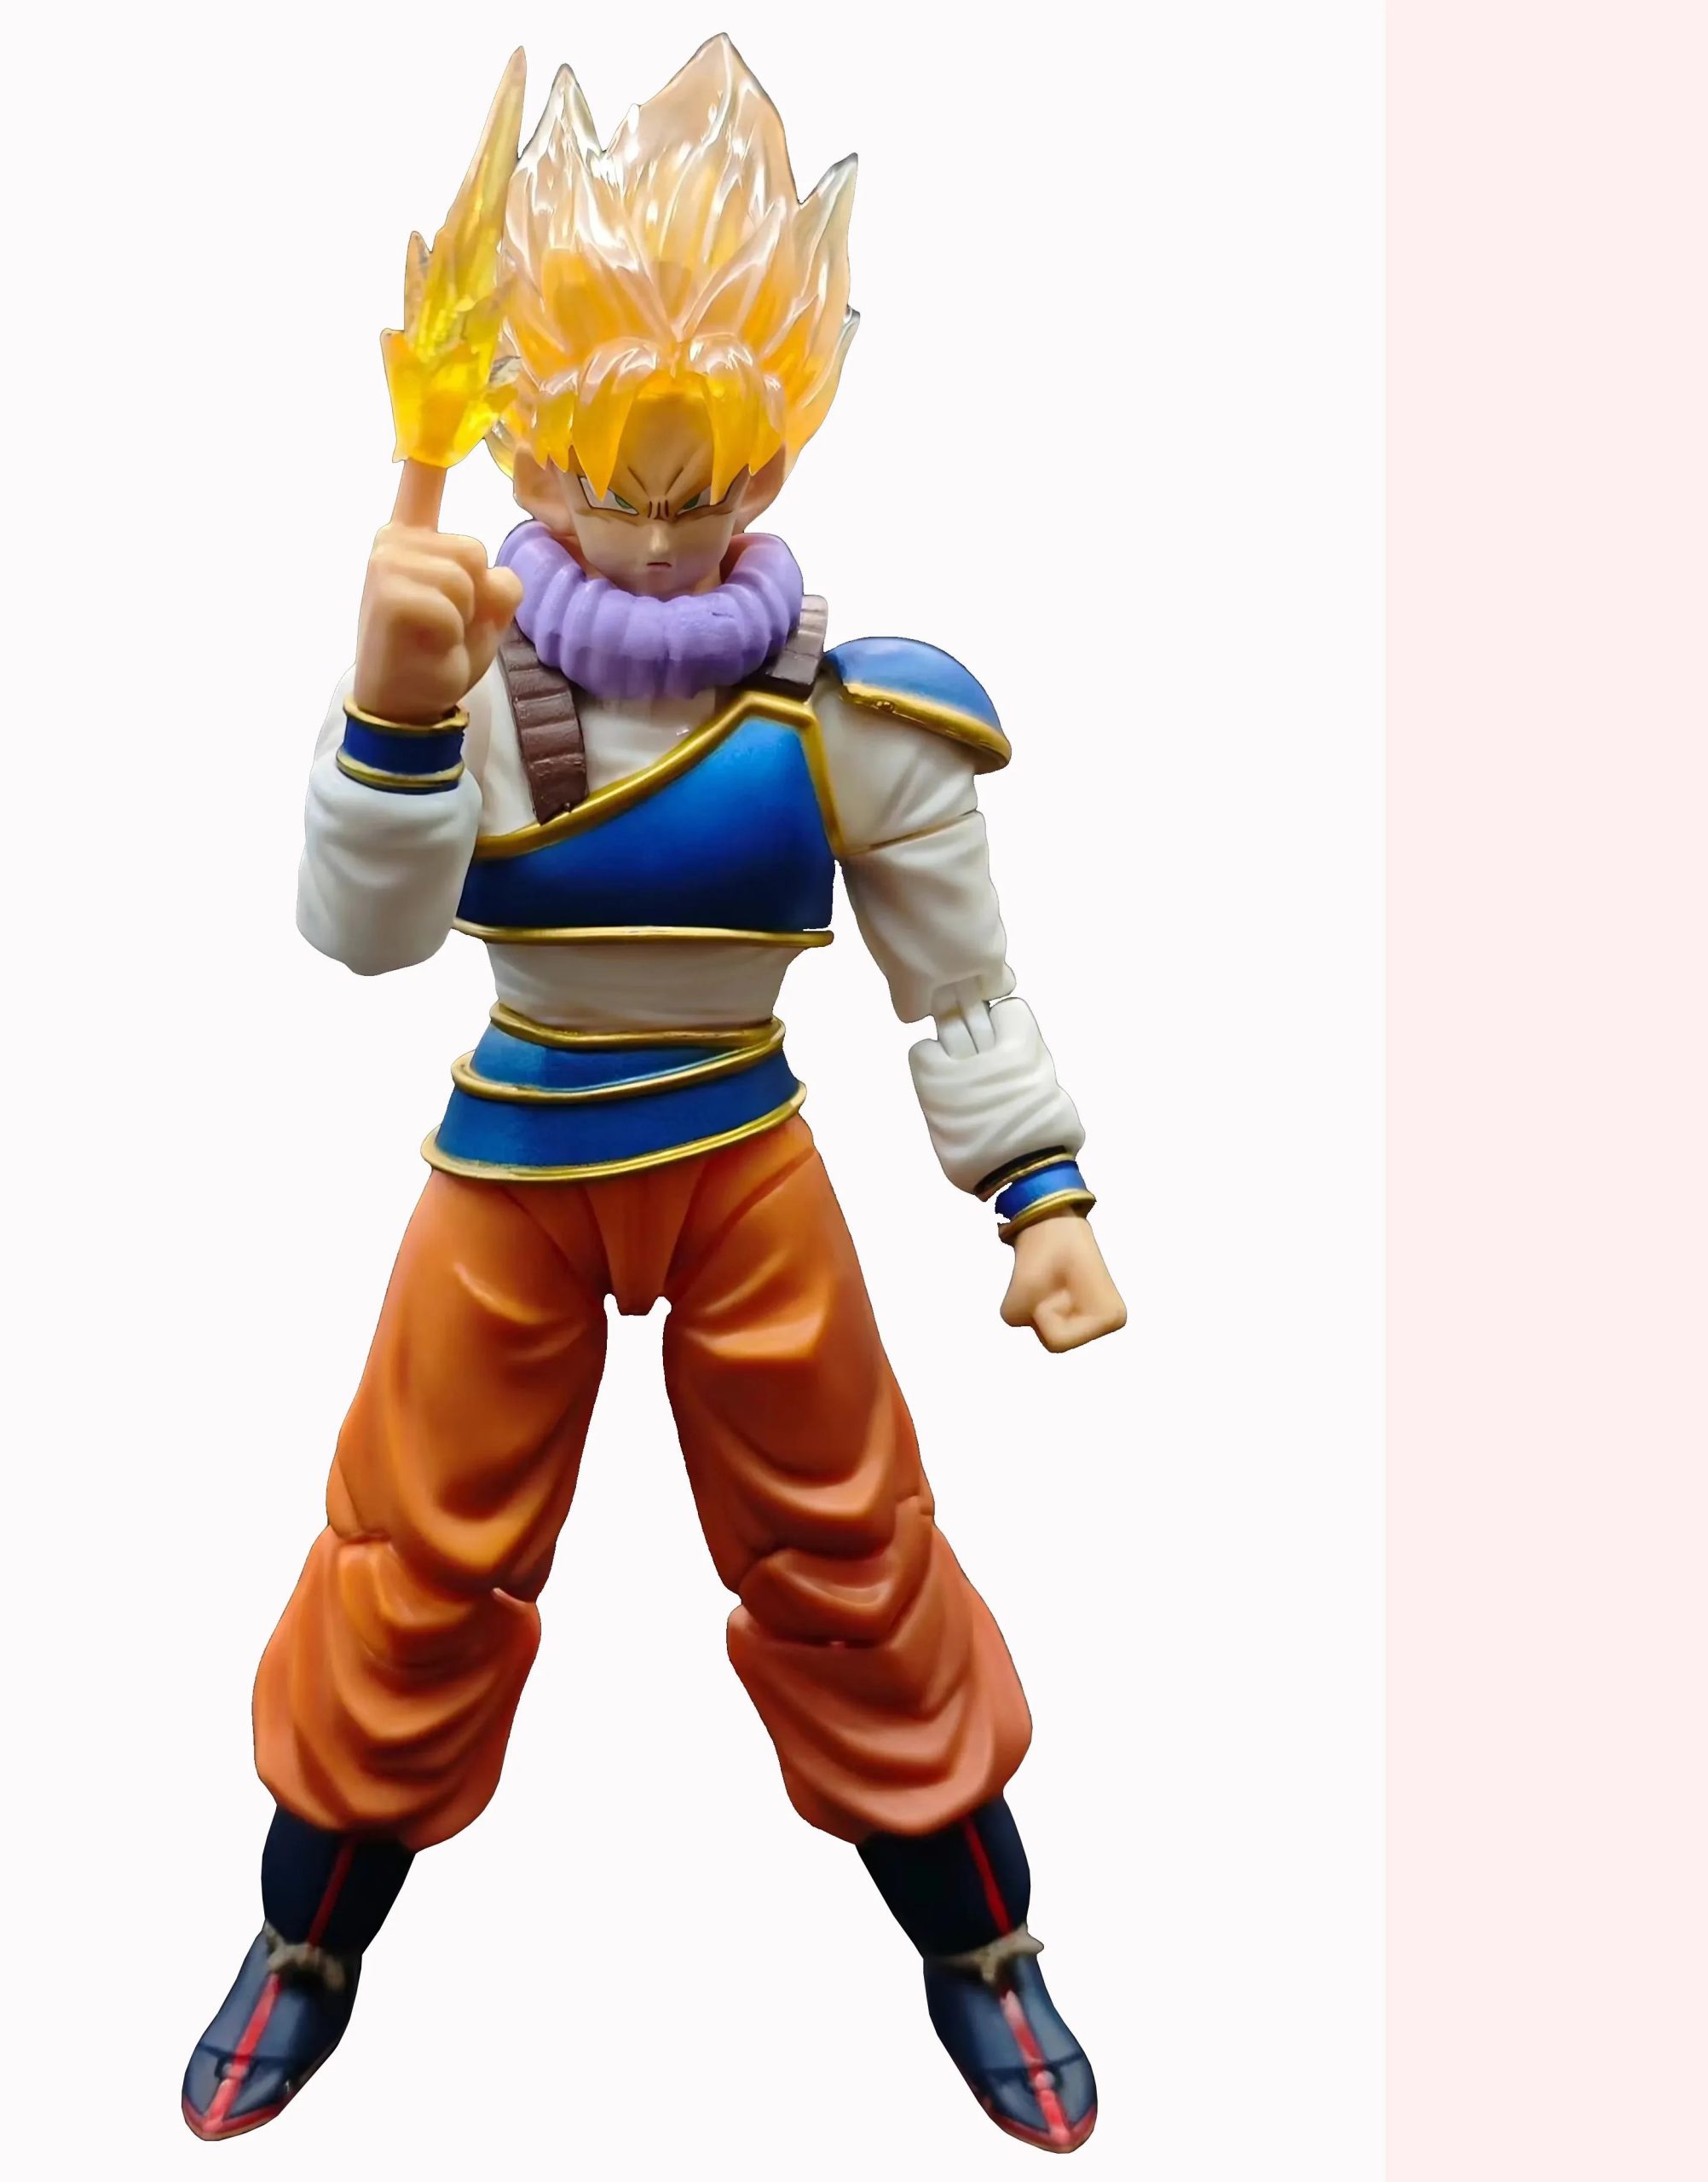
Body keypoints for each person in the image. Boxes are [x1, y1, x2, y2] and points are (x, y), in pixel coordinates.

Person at [183, 37, 1125, 2155]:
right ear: (534, 439)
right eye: (623, 475)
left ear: (774, 449)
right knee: (412, 1552)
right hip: (516, 1148)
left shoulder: (852, 708)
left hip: (737, 1153)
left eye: (708, 482)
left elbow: (956, 974)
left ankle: (980, 1935)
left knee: (846, 1543)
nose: (666, 523)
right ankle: (306, 1932)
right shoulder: (463, 660)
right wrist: (389, 718)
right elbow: (360, 936)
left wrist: (1038, 1189)